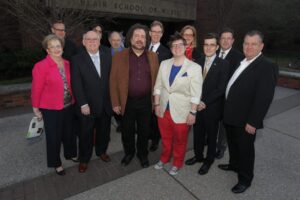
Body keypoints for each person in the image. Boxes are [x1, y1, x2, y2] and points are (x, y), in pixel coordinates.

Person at [219, 30, 278, 193]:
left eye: (254, 44)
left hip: (246, 121)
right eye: (246, 43)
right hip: (231, 116)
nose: (249, 47)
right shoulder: (242, 61)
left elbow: (264, 98)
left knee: (245, 150)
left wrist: (253, 122)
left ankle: (245, 179)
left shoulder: (266, 66)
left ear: (261, 46)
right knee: (232, 144)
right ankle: (233, 165)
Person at [110, 23, 159, 168]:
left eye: (143, 36)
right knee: (127, 131)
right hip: (127, 101)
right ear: (130, 39)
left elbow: (157, 80)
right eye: (136, 36)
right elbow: (112, 81)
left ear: (146, 40)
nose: (139, 39)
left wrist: (156, 102)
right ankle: (129, 153)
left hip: (145, 102)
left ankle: (142, 154)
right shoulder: (119, 57)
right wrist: (115, 102)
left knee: (144, 131)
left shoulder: (153, 57)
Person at [153, 32, 202, 175]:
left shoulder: (194, 68)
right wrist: (156, 105)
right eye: (174, 45)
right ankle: (164, 158)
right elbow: (158, 86)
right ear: (171, 48)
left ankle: (177, 162)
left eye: (180, 44)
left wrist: (193, 112)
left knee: (180, 140)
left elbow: (196, 93)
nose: (177, 47)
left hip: (182, 111)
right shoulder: (164, 64)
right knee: (166, 138)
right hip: (163, 109)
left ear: (185, 46)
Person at [31, 34, 77, 176]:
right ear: (47, 50)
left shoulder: (68, 63)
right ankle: (56, 163)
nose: (56, 49)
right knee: (53, 136)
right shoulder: (41, 66)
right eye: (52, 47)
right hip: (51, 109)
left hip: (69, 105)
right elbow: (36, 89)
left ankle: (70, 154)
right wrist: (35, 107)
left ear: (62, 48)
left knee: (69, 133)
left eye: (58, 46)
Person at [185, 33, 229, 175]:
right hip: (196, 107)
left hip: (212, 108)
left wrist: (204, 102)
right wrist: (195, 101)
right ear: (203, 46)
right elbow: (191, 84)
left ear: (217, 47)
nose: (208, 47)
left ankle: (208, 160)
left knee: (211, 136)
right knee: (197, 134)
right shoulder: (197, 61)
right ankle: (198, 156)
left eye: (212, 45)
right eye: (206, 44)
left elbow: (221, 88)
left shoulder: (223, 64)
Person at [71, 31, 113, 173]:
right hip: (87, 107)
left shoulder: (108, 56)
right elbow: (76, 84)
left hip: (106, 104)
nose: (92, 41)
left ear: (99, 41)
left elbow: (112, 79)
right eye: (88, 39)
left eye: (94, 39)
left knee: (104, 131)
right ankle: (84, 159)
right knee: (85, 134)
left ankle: (101, 151)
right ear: (83, 42)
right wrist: (83, 104)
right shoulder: (77, 59)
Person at [215, 28, 244, 159]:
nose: (225, 41)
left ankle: (221, 147)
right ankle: (209, 140)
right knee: (211, 121)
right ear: (219, 40)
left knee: (223, 125)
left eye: (228, 38)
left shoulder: (239, 57)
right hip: (212, 95)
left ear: (232, 40)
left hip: (227, 98)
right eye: (223, 38)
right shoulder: (212, 52)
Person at [148, 20, 172, 152]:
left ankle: (155, 140)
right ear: (150, 33)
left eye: (159, 32)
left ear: (162, 34)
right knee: (145, 115)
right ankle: (146, 135)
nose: (156, 34)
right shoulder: (143, 47)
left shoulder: (166, 52)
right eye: (154, 31)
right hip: (144, 89)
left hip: (158, 91)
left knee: (155, 116)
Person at [108, 31, 124, 132]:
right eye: (113, 40)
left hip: (124, 87)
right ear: (109, 41)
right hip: (111, 87)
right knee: (114, 108)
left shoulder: (127, 53)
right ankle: (119, 123)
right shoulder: (105, 54)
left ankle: (123, 125)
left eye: (118, 40)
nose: (116, 42)